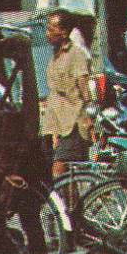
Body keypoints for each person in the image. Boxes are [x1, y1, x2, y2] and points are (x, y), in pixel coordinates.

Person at [41, 10, 92, 179]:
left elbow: (84, 88)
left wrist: (91, 117)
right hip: (56, 124)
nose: (47, 34)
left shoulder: (75, 54)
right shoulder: (54, 56)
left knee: (59, 169)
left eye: (51, 29)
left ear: (63, 32)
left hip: (73, 124)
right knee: (66, 176)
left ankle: (61, 205)